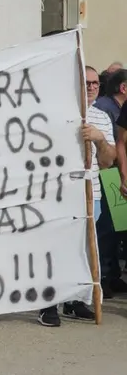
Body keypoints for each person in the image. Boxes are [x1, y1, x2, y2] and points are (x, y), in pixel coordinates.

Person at [38, 65, 114, 326]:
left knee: (84, 251)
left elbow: (107, 162)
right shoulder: (56, 114)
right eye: (87, 82)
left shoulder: (102, 117)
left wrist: (99, 140)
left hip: (90, 196)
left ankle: (75, 301)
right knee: (56, 251)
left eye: (95, 83)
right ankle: (48, 302)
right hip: (59, 194)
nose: (92, 87)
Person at [94, 68, 127, 298]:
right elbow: (119, 142)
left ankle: (111, 275)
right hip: (108, 177)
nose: (92, 88)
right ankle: (105, 276)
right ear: (123, 87)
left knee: (115, 231)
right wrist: (124, 175)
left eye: (95, 83)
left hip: (113, 175)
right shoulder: (104, 109)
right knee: (107, 229)